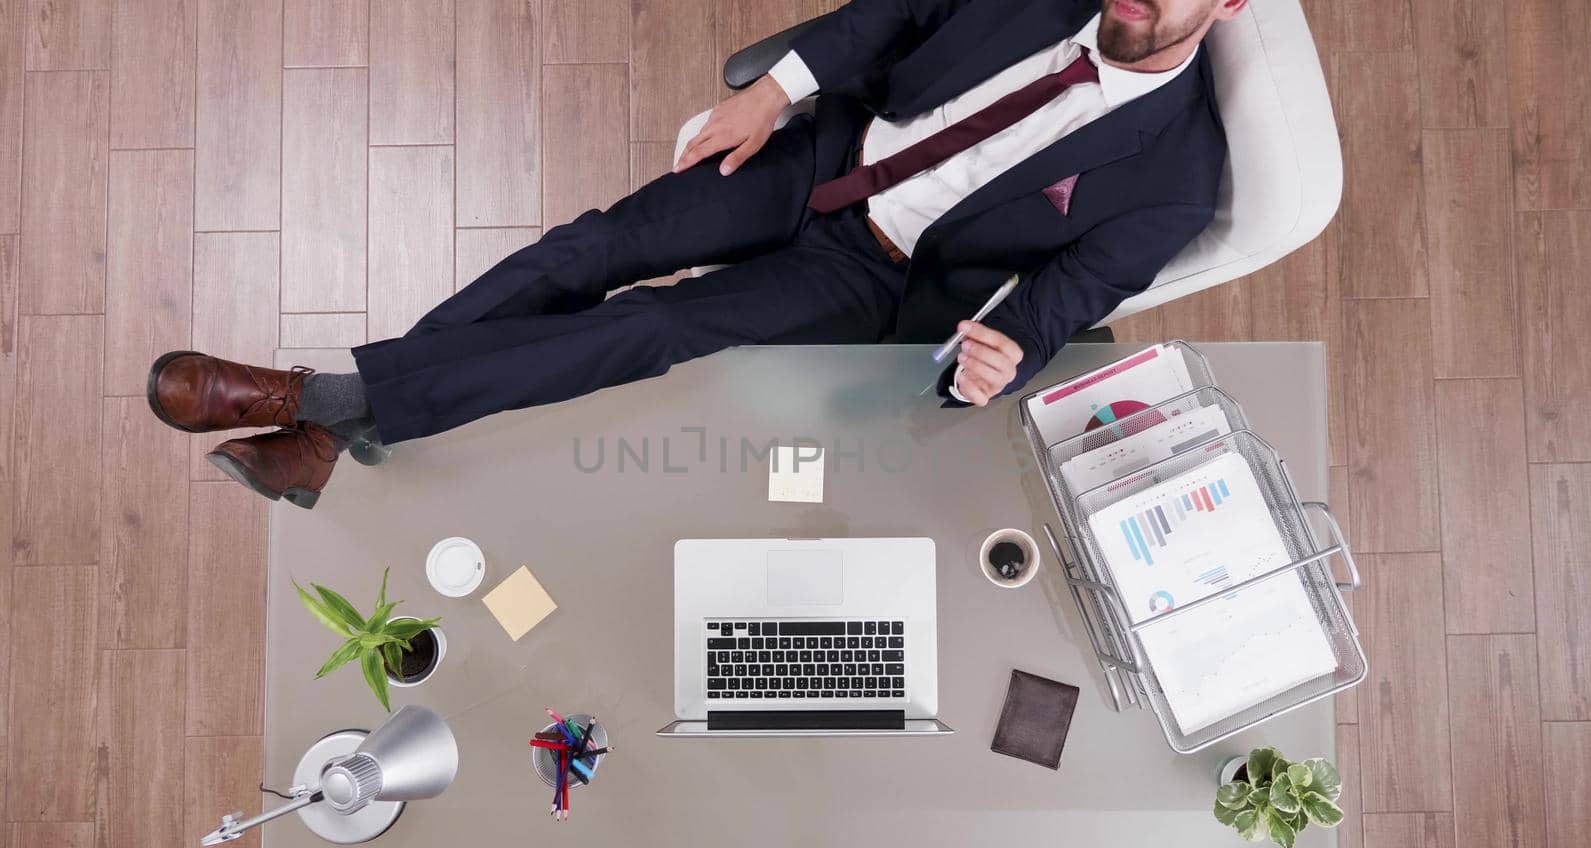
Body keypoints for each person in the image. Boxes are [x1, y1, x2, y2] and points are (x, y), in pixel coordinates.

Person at [147, 0, 1243, 508]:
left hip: (870, 270)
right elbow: (889, 16)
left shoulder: (1176, 178)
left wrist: (1004, 353)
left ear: (1229, 4)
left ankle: (318, 397)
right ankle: (349, 420)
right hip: (822, 152)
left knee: (656, 324)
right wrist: (775, 91)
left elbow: (1059, 303)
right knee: (594, 248)